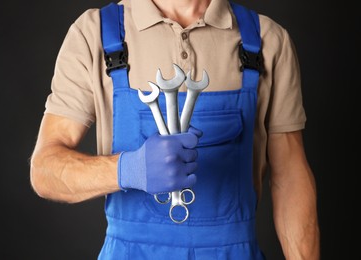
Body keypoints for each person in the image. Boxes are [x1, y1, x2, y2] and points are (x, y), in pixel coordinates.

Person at [29, 0, 320, 259]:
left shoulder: (267, 39)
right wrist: (128, 169)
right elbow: (44, 171)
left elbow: (290, 174)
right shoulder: (94, 33)